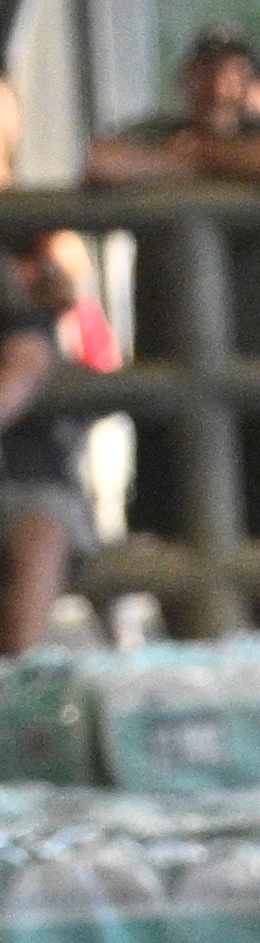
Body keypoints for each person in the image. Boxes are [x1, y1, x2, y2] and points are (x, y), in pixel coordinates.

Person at [85, 29, 260, 608]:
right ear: (184, 78)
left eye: (230, 70)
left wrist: (189, 160)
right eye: (204, 68)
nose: (216, 83)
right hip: (172, 376)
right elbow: (102, 163)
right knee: (171, 540)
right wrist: (209, 162)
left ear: (251, 83)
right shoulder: (153, 130)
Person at [0, 198, 97, 650]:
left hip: (28, 477)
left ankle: (12, 691)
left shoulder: (20, 293)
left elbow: (29, 355)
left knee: (41, 534)